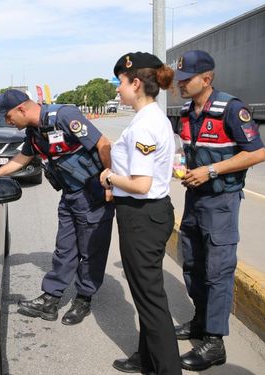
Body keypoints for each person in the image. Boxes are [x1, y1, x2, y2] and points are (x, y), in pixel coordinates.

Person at [0, 89, 114, 326]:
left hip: (93, 194)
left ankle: (83, 298)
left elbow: (103, 144)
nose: (8, 122)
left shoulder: (63, 116)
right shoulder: (34, 132)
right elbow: (22, 159)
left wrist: (109, 181)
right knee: (64, 248)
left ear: (22, 109)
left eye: (8, 117)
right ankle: (51, 298)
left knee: (91, 249)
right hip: (70, 196)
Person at [173, 50, 265, 371]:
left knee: (218, 270)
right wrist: (183, 166)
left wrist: (212, 171)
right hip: (194, 199)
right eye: (180, 80)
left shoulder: (231, 109)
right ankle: (200, 321)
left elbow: (256, 153)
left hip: (221, 203)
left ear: (207, 79)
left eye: (187, 80)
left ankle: (214, 342)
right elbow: (191, 149)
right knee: (192, 264)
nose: (181, 85)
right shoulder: (186, 111)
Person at [102, 52, 181, 375]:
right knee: (148, 296)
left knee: (151, 303)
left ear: (136, 83)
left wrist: (109, 178)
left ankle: (166, 369)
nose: (118, 89)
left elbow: (141, 183)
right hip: (149, 215)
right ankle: (147, 359)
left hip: (142, 216)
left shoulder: (145, 126)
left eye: (120, 82)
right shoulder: (150, 118)